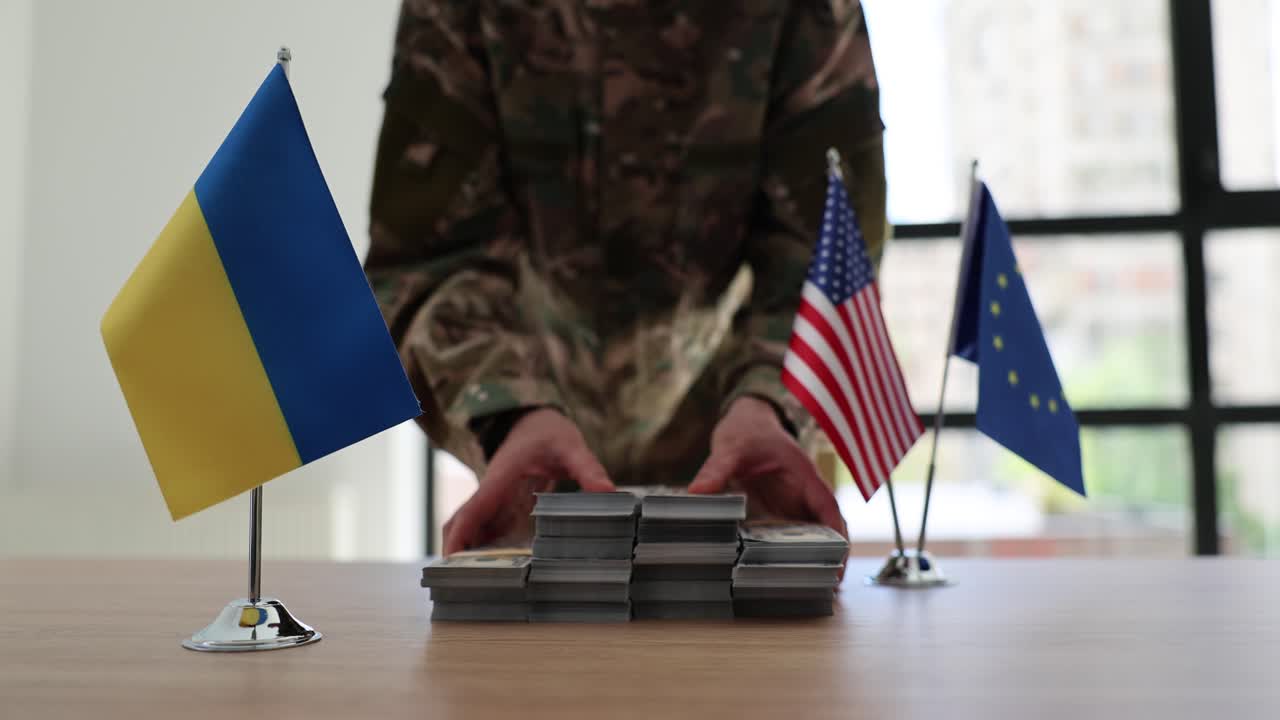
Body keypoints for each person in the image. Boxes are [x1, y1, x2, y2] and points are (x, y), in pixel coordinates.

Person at [365, 0, 887, 555]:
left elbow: (828, 260)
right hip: (527, 460)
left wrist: (771, 406)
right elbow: (427, 260)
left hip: (739, 461)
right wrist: (507, 415)